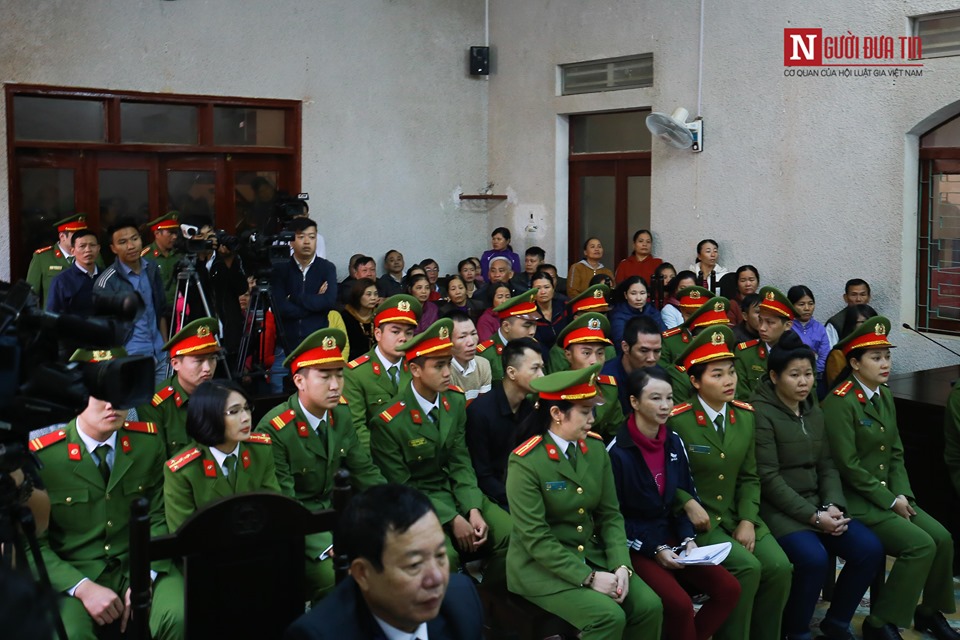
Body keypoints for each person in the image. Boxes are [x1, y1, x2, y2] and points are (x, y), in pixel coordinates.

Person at [29, 348, 183, 639]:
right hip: (75, 572)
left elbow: (159, 515)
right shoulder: (45, 457)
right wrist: (82, 587)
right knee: (69, 633)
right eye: (102, 393)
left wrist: (145, 577)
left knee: (178, 616)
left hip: (141, 564)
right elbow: (31, 545)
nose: (114, 403)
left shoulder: (147, 443)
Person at [823, 317, 958, 640]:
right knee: (920, 544)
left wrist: (904, 495)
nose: (885, 364)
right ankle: (880, 622)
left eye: (887, 356)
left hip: (889, 495)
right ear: (854, 363)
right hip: (857, 499)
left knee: (942, 537)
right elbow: (848, 465)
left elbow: (896, 454)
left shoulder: (883, 395)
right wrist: (889, 500)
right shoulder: (839, 402)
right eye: (876, 357)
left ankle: (927, 612)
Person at [506, 365, 663, 639]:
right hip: (541, 568)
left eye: (593, 408)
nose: (593, 417)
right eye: (584, 411)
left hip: (592, 555)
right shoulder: (526, 461)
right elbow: (536, 537)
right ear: (556, 414)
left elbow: (611, 516)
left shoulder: (596, 449)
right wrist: (588, 577)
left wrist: (620, 565)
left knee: (650, 606)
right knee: (607, 617)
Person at [753, 331, 884, 640]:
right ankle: (795, 630)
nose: (803, 382)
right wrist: (814, 517)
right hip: (779, 509)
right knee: (813, 559)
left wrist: (833, 506)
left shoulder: (813, 408)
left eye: (809, 374)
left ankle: (836, 622)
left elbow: (827, 464)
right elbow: (769, 479)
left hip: (819, 503)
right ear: (774, 376)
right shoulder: (760, 412)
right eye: (794, 375)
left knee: (869, 550)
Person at [668, 325, 793, 640]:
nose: (729, 381)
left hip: (738, 514)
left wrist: (749, 519)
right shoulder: (677, 420)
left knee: (780, 567)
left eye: (731, 372)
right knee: (747, 569)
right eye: (717, 375)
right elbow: (670, 478)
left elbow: (750, 476)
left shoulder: (744, 416)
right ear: (695, 381)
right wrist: (687, 502)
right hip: (702, 522)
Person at [370, 319, 511, 585]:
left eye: (448, 363)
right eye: (439, 366)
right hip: (419, 502)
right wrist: (452, 518)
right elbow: (403, 486)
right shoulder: (389, 422)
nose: (447, 372)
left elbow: (460, 460)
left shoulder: (454, 401)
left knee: (510, 535)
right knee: (446, 557)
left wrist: (472, 508)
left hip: (457, 491)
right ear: (415, 369)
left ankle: (489, 597)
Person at [609, 367, 741, 640]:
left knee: (729, 590)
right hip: (636, 544)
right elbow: (613, 517)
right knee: (680, 606)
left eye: (669, 398)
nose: (665, 405)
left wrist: (687, 539)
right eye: (655, 398)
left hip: (672, 537)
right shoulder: (617, 452)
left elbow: (684, 495)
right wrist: (653, 548)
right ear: (634, 402)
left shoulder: (673, 441)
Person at [256, 328, 386, 602]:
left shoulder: (340, 414)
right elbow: (284, 501)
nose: (335, 385)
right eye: (324, 377)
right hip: (300, 531)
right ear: (300, 381)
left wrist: (393, 510)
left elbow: (365, 472)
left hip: (339, 516)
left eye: (338, 374)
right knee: (334, 577)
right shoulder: (275, 428)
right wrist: (327, 545)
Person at [284, 483, 483, 640]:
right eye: (414, 565)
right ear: (362, 574)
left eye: (440, 556)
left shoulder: (461, 601)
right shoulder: (318, 635)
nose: (437, 578)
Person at [163, 379, 280, 531]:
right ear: (209, 416)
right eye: (234, 411)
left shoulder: (260, 450)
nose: (246, 418)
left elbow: (273, 507)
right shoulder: (183, 471)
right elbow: (185, 535)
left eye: (247, 408)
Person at [466, 337, 542, 508]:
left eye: (541, 368)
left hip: (525, 492)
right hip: (491, 497)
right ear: (512, 372)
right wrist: (518, 499)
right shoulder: (480, 412)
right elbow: (482, 476)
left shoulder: (530, 410)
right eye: (535, 369)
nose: (541, 376)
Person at [94, 217, 170, 382]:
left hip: (160, 352)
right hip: (131, 356)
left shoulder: (151, 268)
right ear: (113, 248)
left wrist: (165, 345)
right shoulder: (106, 282)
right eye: (122, 242)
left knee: (163, 404)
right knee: (137, 406)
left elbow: (161, 310)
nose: (131, 246)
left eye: (135, 239)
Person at [342, 294, 422, 451]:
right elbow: (356, 427)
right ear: (378, 334)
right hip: (376, 456)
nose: (403, 338)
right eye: (395, 331)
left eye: (409, 333)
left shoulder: (417, 368)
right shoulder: (356, 373)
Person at [138, 317, 221, 457]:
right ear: (175, 364)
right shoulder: (155, 405)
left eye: (212, 359)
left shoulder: (223, 398)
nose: (207, 368)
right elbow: (155, 462)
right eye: (199, 361)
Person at [553, 313, 626, 440]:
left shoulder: (609, 388)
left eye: (600, 353)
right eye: (586, 353)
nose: (595, 361)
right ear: (568, 355)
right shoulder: (555, 389)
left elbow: (617, 432)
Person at [272, 217, 338, 352]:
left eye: (312, 237)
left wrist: (294, 297)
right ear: (291, 242)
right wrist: (314, 304)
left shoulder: (327, 268)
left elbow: (329, 301)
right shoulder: (281, 269)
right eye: (301, 237)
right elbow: (279, 306)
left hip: (317, 342)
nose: (307, 242)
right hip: (285, 344)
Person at [735, 286, 798, 400]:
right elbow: (743, 397)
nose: (762, 328)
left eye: (770, 322)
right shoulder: (745, 354)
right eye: (760, 320)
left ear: (787, 326)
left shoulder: (801, 355)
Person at [545, 283, 614, 374]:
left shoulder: (608, 348)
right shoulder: (560, 350)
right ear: (576, 318)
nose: (597, 318)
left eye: (602, 314)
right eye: (590, 315)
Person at [602, 315, 663, 414]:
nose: (651, 358)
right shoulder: (606, 379)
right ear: (625, 347)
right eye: (644, 351)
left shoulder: (661, 377)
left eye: (657, 351)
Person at [476, 289, 540, 383]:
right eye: (527, 326)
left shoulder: (533, 345)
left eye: (535, 325)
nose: (532, 332)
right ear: (506, 326)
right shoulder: (487, 354)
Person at [27, 213, 89, 308]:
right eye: (76, 235)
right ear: (62, 237)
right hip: (53, 318)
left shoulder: (91, 255)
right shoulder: (42, 258)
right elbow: (31, 295)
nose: (81, 239)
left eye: (83, 234)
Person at [46, 228, 101, 316]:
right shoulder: (61, 281)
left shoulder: (108, 276)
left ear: (98, 248)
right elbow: (52, 315)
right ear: (73, 251)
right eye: (82, 246)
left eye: (92, 245)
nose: (88, 250)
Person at [657, 285, 714, 368]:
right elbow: (663, 371)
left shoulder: (718, 336)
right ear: (681, 312)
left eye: (699, 314)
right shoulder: (669, 340)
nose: (694, 318)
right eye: (688, 314)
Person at [823, 303, 877, 390]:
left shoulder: (874, 348)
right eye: (863, 322)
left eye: (872, 322)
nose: (869, 326)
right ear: (852, 324)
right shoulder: (838, 354)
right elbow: (837, 390)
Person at [787, 285, 831, 390]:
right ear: (791, 305)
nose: (807, 308)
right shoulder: (787, 327)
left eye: (810, 304)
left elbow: (825, 356)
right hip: (791, 376)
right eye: (801, 304)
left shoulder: (819, 328)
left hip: (817, 377)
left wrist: (810, 372)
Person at [610, 276, 665, 353]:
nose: (638, 298)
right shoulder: (618, 314)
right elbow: (621, 342)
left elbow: (665, 335)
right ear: (626, 295)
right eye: (633, 293)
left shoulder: (652, 311)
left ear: (647, 294)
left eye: (642, 293)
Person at [446, 310, 492, 401]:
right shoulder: (445, 372)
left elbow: (485, 405)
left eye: (473, 334)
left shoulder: (483, 365)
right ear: (448, 341)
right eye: (462, 337)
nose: (471, 342)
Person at [140, 211, 183, 307]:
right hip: (156, 308)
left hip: (178, 309)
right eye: (170, 233)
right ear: (157, 233)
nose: (175, 237)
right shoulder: (146, 256)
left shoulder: (179, 254)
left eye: (176, 233)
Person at [824, 279, 872, 347]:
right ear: (845, 298)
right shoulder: (835, 323)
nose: (858, 299)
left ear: (869, 297)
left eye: (862, 294)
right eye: (854, 295)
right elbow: (830, 354)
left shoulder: (874, 318)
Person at [532, 269, 569, 354]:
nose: (543, 292)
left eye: (546, 287)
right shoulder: (529, 313)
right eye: (538, 288)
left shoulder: (564, 307)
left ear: (553, 288)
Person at [342, 278, 378, 356]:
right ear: (358, 295)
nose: (373, 298)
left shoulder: (379, 314)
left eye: (375, 294)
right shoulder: (345, 317)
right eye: (368, 294)